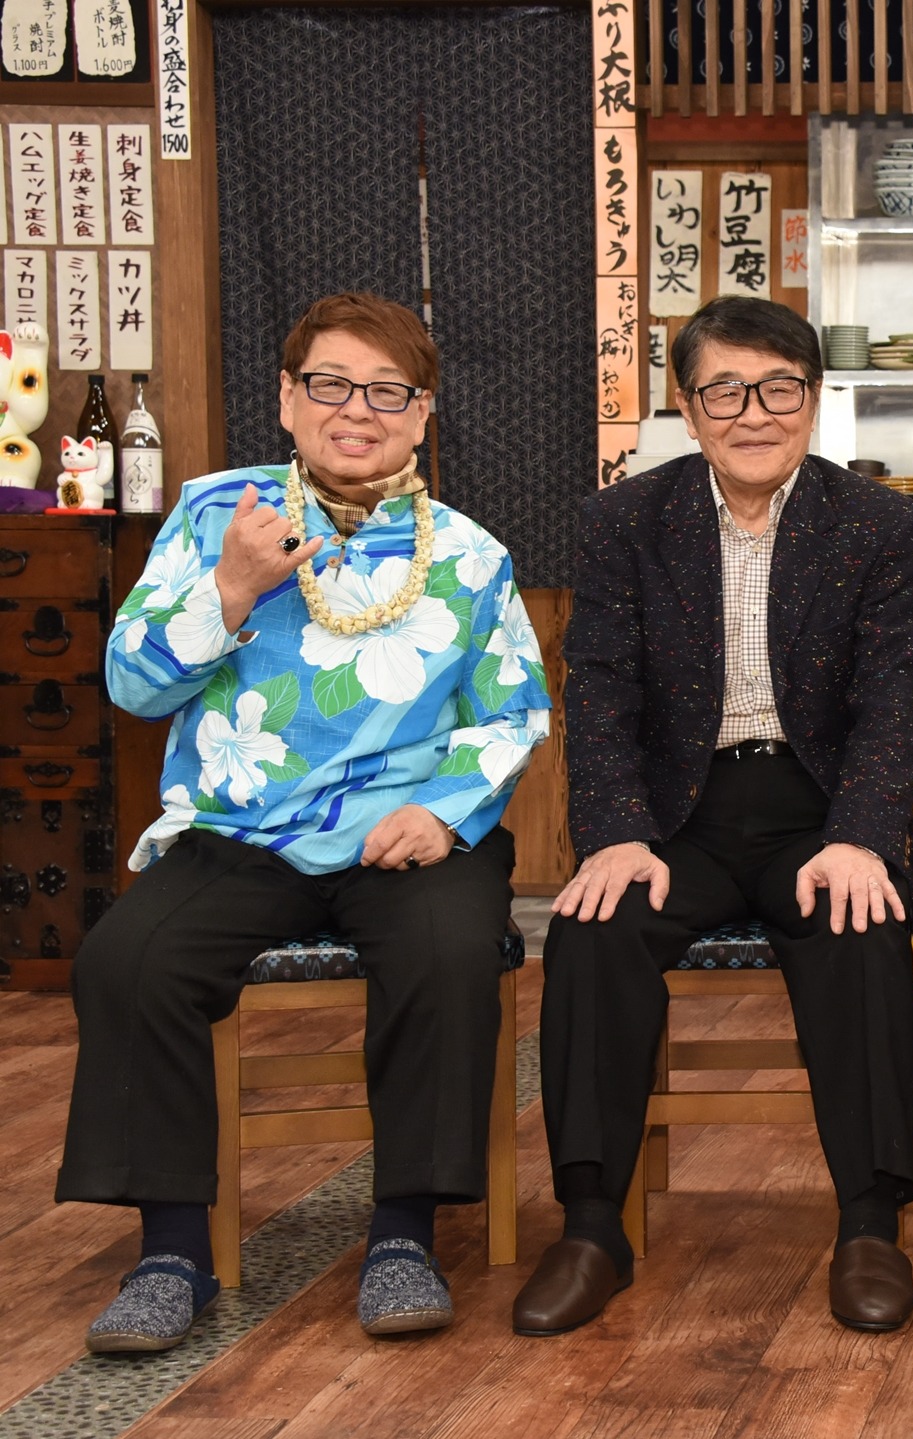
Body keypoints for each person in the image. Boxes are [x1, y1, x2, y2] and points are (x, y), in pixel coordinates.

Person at [58, 292, 549, 1350]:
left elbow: (513, 713)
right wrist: (230, 591)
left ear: (423, 413)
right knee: (127, 959)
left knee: (449, 947)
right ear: (287, 397)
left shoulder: (468, 553)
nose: (357, 410)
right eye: (330, 384)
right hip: (240, 828)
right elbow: (133, 686)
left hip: (403, 831)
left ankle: (404, 1233)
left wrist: (444, 813)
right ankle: (172, 1251)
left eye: (388, 392)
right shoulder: (213, 516)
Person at [514, 296, 913, 1337]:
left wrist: (861, 834)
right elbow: (598, 692)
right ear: (688, 404)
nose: (754, 413)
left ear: (813, 399)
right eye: (726, 390)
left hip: (818, 807)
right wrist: (614, 832)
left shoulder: (874, 522)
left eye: (779, 388)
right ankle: (592, 1225)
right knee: (592, 928)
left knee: (862, 922)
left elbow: (892, 701)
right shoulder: (624, 520)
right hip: (674, 815)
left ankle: (870, 1222)